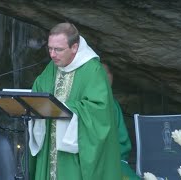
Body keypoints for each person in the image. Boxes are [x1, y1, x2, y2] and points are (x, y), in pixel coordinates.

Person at [28, 22, 121, 180]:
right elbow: (38, 92)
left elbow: (99, 110)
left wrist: (65, 108)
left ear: (75, 47)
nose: (52, 54)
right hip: (50, 146)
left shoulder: (93, 70)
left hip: (73, 152)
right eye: (49, 48)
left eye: (58, 49)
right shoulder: (52, 67)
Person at [102, 62, 141, 180]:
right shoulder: (90, 103)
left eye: (106, 74)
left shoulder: (112, 103)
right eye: (98, 75)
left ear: (111, 77)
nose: (102, 79)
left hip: (116, 159)